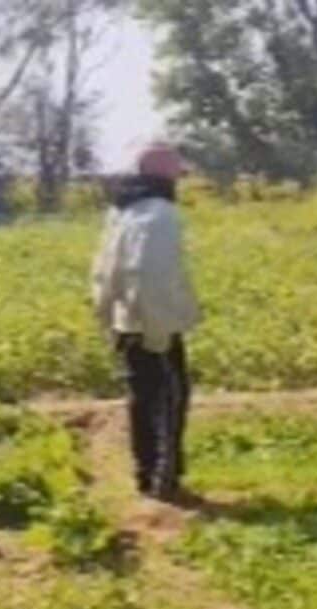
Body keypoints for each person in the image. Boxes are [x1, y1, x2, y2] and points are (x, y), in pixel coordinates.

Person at [91, 143, 202, 503]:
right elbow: (149, 274)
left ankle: (146, 477)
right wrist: (158, 331)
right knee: (167, 400)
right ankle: (163, 484)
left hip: (127, 321)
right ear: (167, 173)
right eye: (177, 171)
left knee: (143, 399)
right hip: (154, 324)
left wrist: (107, 315)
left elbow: (102, 271)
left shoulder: (122, 209)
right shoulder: (161, 214)